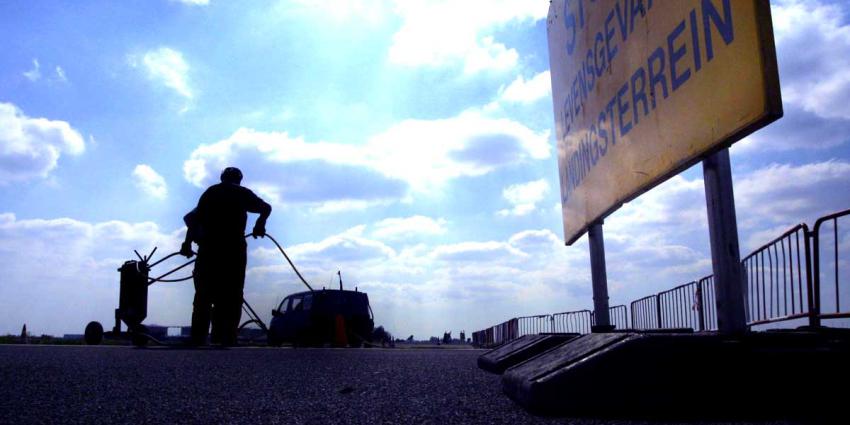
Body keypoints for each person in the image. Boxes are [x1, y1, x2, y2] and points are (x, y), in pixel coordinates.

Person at [180, 167, 271, 346]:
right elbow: (266, 208)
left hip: (209, 249)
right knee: (232, 294)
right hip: (233, 249)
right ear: (240, 179)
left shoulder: (210, 192)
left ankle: (198, 337)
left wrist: (187, 243)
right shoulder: (241, 192)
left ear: (222, 178)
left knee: (203, 295)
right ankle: (225, 336)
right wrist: (259, 224)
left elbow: (192, 219)